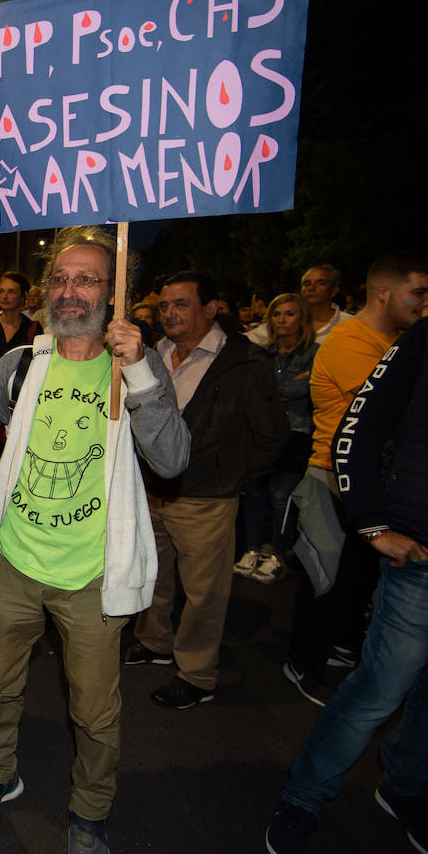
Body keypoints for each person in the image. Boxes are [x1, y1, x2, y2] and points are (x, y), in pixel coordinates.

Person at [0, 227, 188, 854]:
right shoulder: (24, 362)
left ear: (113, 294)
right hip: (15, 562)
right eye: (60, 278)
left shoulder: (136, 366)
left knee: (94, 712)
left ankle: (89, 814)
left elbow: (173, 459)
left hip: (93, 577)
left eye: (87, 278)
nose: (70, 290)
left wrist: (139, 371)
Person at [265, 259, 428, 854]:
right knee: (382, 685)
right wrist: (372, 523)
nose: (423, 301)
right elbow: (358, 428)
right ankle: (304, 797)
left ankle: (407, 787)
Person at [280, 253, 428, 706]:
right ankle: (303, 663)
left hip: (373, 481)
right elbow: (397, 411)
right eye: (419, 293)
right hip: (332, 477)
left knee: (355, 579)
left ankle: (340, 649)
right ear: (384, 293)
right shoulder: (350, 342)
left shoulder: (398, 340)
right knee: (325, 579)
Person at [125, 271, 286, 709]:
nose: (169, 313)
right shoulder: (151, 355)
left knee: (204, 594)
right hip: (150, 490)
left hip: (206, 498)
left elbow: (271, 434)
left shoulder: (243, 361)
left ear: (211, 309)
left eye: (181, 304)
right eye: (164, 305)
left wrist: (233, 480)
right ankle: (154, 641)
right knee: (152, 574)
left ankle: (196, 675)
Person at [234, 293, 318, 583]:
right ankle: (252, 550)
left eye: (289, 314)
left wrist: (276, 390)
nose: (282, 320)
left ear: (302, 319)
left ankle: (278, 555)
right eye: (277, 314)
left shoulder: (315, 353)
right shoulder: (263, 353)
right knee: (255, 492)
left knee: (283, 496)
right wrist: (286, 387)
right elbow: (253, 390)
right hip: (262, 432)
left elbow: (304, 389)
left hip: (297, 433)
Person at [251, 265, 352, 346]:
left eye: (320, 283)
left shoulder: (350, 324)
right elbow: (249, 339)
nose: (311, 288)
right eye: (307, 284)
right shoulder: (284, 322)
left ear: (334, 290)